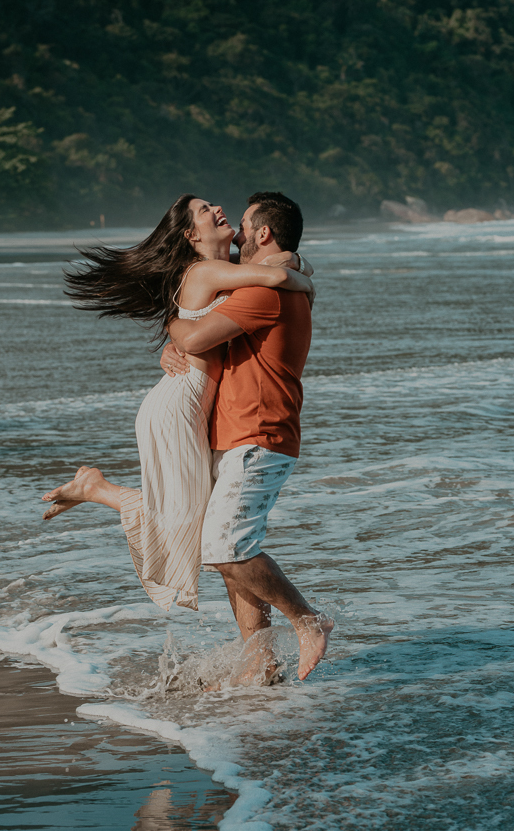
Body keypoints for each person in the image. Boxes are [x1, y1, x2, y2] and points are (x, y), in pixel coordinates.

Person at [41, 193, 313, 617]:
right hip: (181, 404)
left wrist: (295, 263)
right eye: (206, 210)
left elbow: (248, 289)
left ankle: (258, 653)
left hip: (195, 402)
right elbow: (272, 279)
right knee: (188, 523)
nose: (220, 212)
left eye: (227, 214)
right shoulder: (211, 271)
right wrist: (299, 274)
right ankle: (96, 489)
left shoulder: (229, 274)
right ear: (190, 235)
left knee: (195, 522)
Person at [160, 192, 333, 681]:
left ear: (263, 233)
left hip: (258, 436)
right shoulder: (262, 282)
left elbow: (194, 336)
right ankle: (262, 663)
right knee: (230, 550)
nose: (235, 233)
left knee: (225, 548)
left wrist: (171, 324)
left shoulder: (264, 293)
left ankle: (307, 619)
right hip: (240, 435)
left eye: (243, 225)